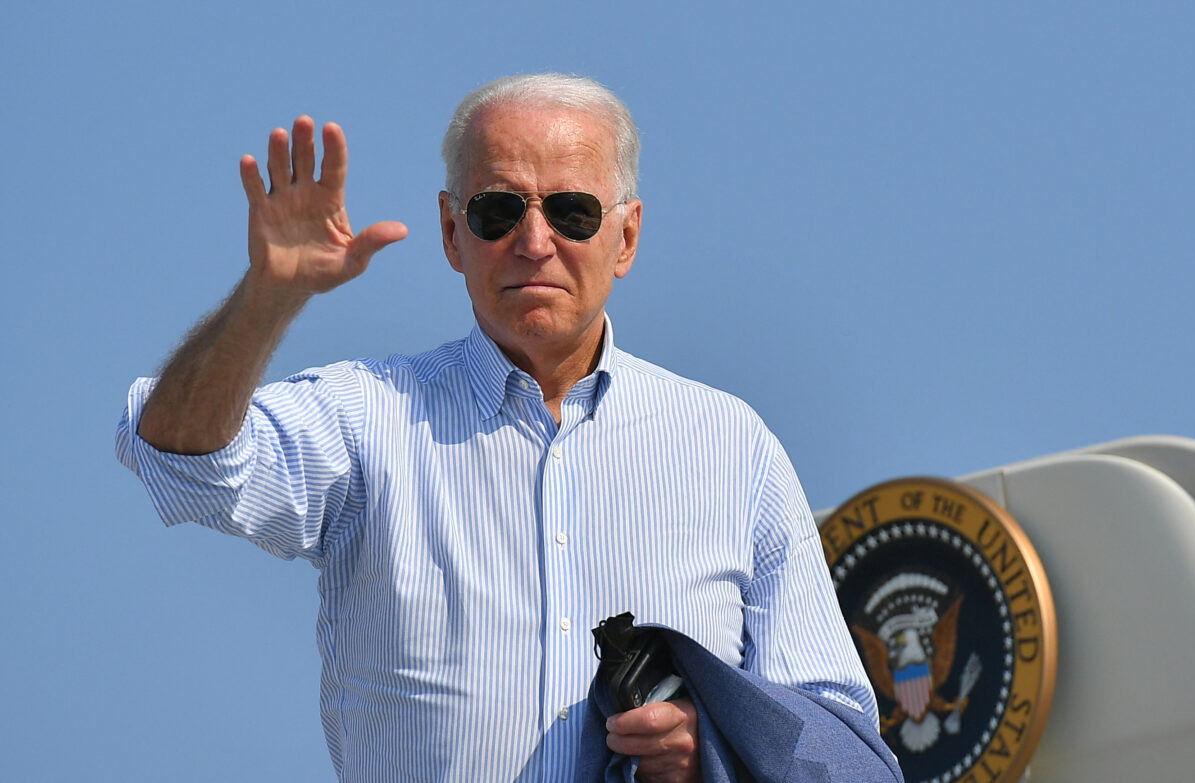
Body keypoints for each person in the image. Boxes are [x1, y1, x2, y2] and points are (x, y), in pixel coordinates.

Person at [116, 74, 881, 782]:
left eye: (572, 211)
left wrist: (708, 740)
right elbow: (178, 459)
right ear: (453, 233)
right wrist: (267, 298)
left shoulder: (732, 447)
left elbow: (836, 736)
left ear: (628, 237)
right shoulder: (368, 415)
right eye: (499, 209)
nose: (534, 241)